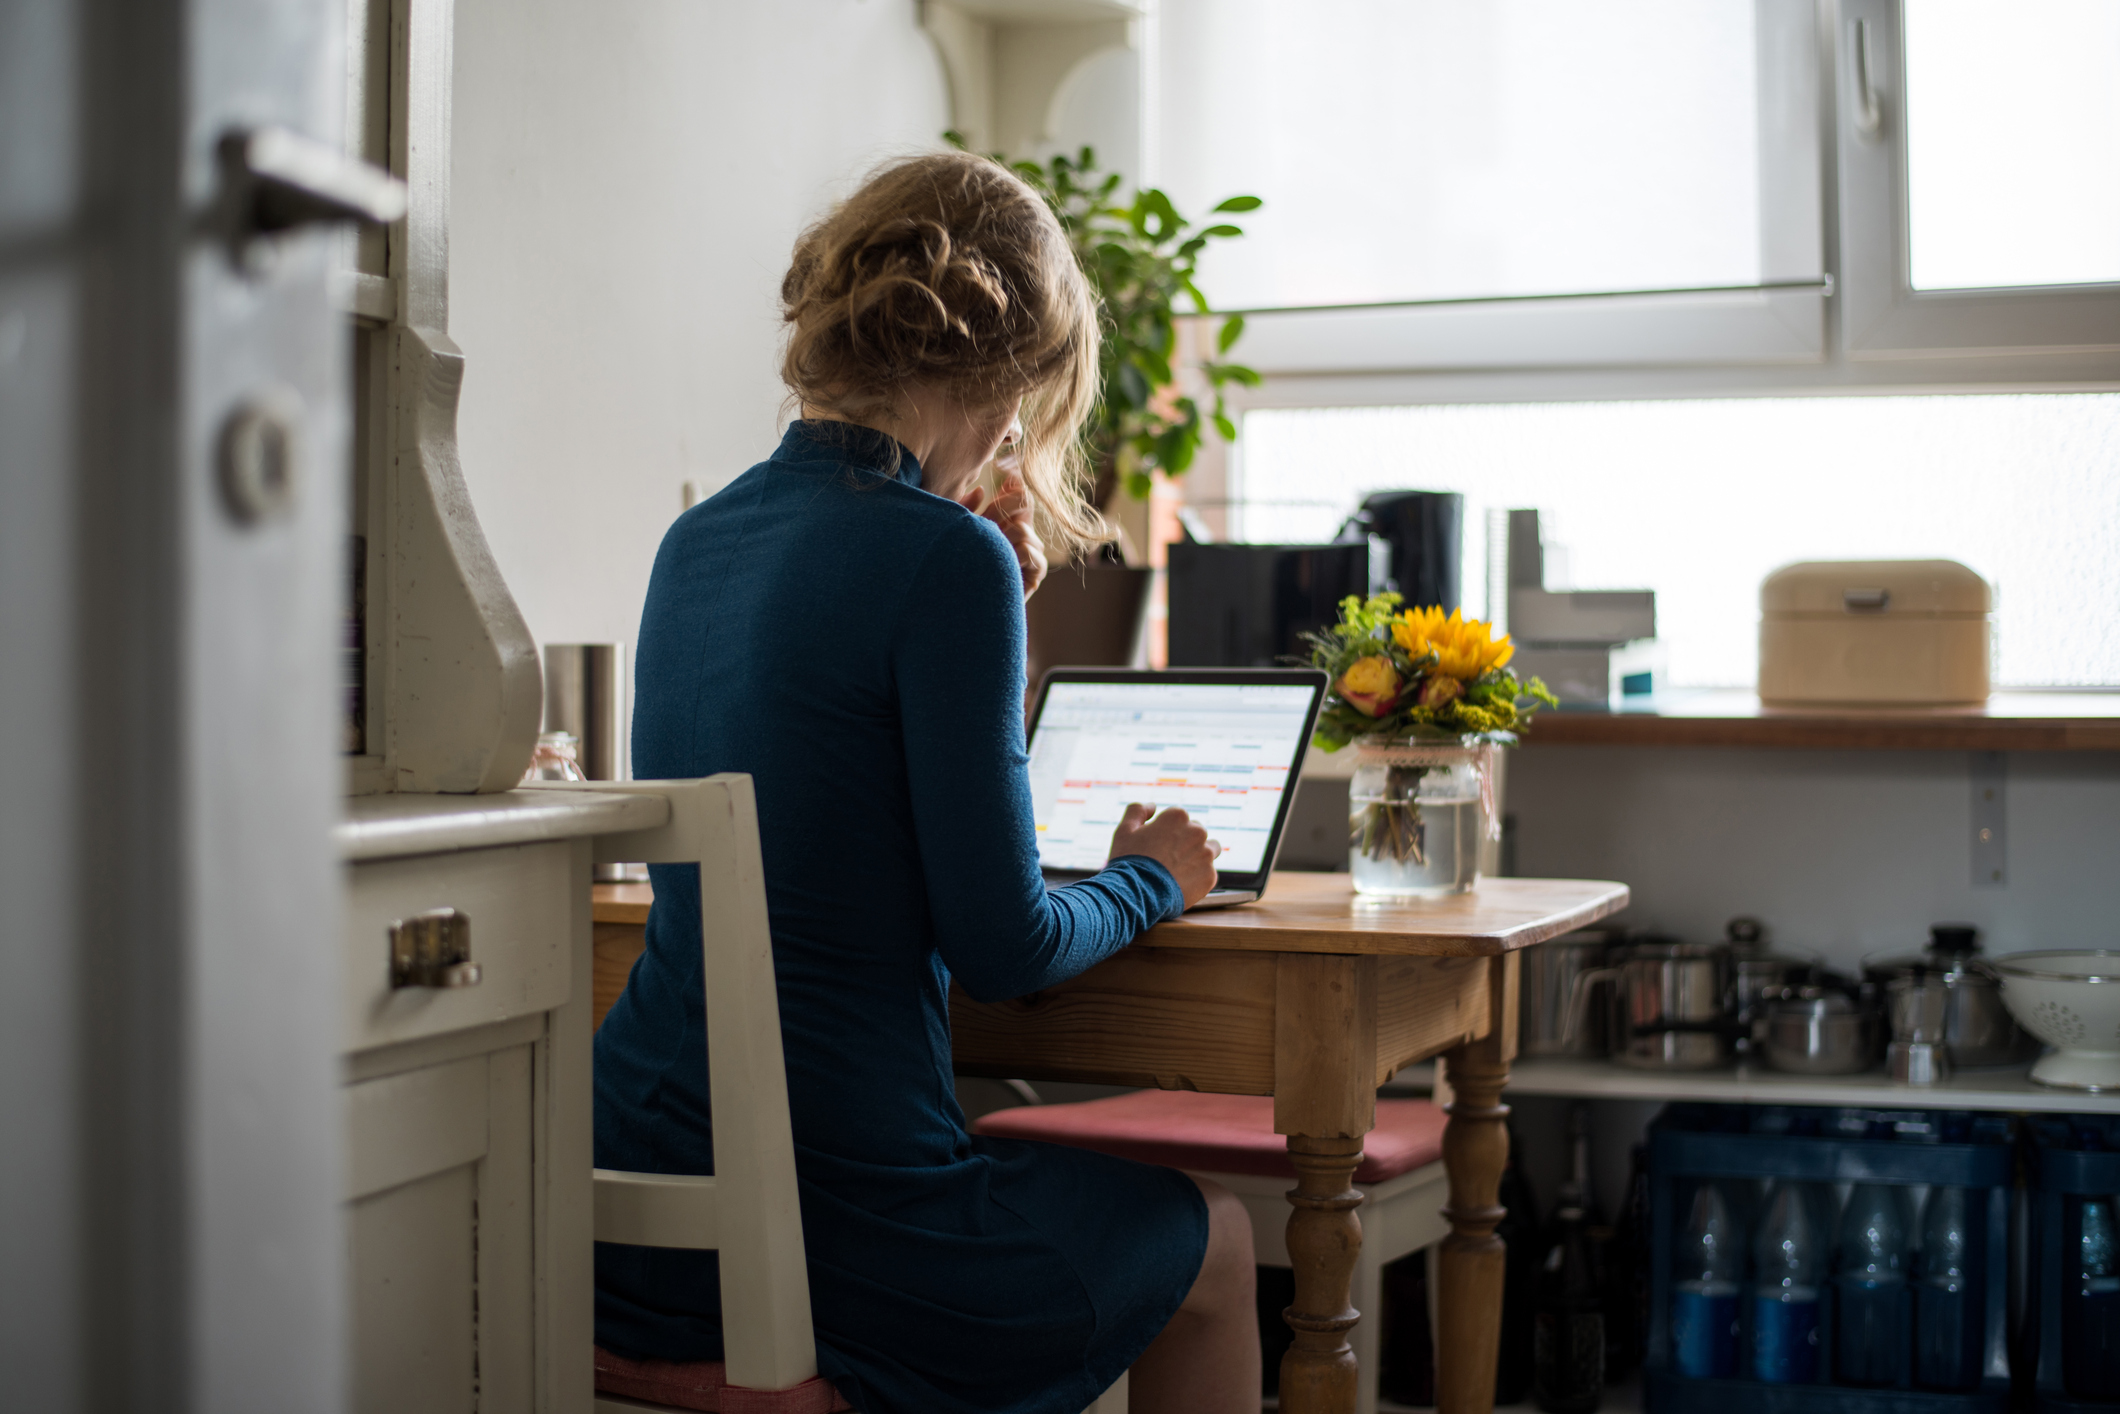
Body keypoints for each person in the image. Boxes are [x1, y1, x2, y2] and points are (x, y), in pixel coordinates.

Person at [592, 149, 1259, 1414]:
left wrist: (977, 602)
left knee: (1009, 1148)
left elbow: (823, 787)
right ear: (1008, 374)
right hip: (829, 1230)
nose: (1018, 441)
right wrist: (1149, 877)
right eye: (1030, 407)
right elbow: (1003, 945)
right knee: (1215, 1237)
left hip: (630, 1219)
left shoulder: (697, 540)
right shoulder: (940, 556)